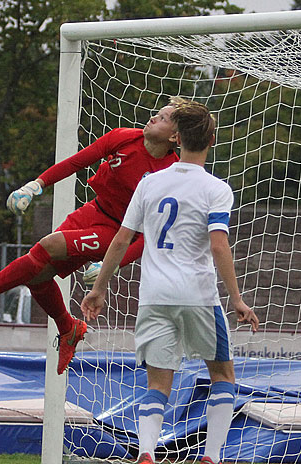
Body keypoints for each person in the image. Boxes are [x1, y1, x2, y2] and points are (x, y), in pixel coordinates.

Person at [0, 98, 185, 374]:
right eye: (156, 114)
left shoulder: (170, 175)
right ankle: (68, 327)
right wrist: (35, 185)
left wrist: (113, 264)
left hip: (115, 233)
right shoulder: (124, 138)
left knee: (47, 246)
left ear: (175, 136)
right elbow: (76, 162)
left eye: (162, 118)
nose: (152, 118)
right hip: (92, 211)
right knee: (37, 275)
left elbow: (150, 235)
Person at [81, 100, 260, 464]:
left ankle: (146, 452)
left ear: (177, 140)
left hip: (154, 296)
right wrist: (238, 299)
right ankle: (211, 456)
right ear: (211, 139)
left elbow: (121, 238)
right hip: (198, 296)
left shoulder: (149, 183)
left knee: (157, 385)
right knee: (223, 376)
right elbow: (218, 243)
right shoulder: (217, 188)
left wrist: (99, 287)